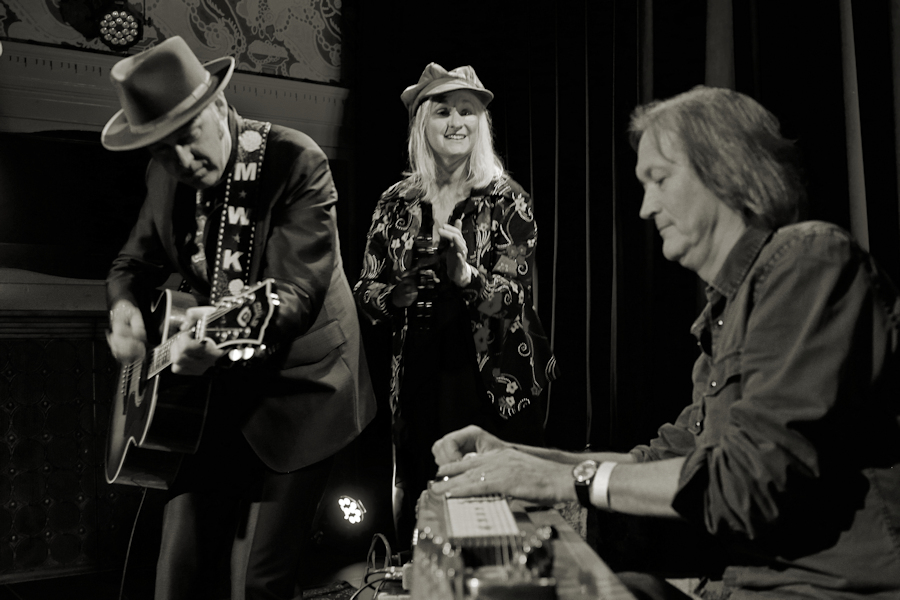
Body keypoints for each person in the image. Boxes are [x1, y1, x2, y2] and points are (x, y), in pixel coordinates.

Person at [431, 86, 900, 599]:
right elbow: (661, 463)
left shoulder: (807, 262)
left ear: (727, 170)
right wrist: (515, 458)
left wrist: (563, 482)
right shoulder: (727, 310)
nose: (645, 207)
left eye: (659, 179)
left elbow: (746, 481)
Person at [102, 37, 376, 600]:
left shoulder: (297, 162)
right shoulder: (163, 177)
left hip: (304, 389)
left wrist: (221, 339)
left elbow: (295, 294)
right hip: (212, 395)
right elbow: (131, 264)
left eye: (188, 136)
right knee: (176, 575)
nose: (183, 161)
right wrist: (125, 309)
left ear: (219, 106)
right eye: (163, 150)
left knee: (255, 583)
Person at [353, 63, 559, 549]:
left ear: (480, 124)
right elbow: (365, 286)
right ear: (422, 124)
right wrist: (395, 295)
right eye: (443, 111)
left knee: (488, 510)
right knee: (420, 494)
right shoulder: (395, 202)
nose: (456, 122)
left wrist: (466, 275)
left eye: (467, 111)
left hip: (490, 374)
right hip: (418, 368)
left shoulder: (507, 199)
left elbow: (514, 300)